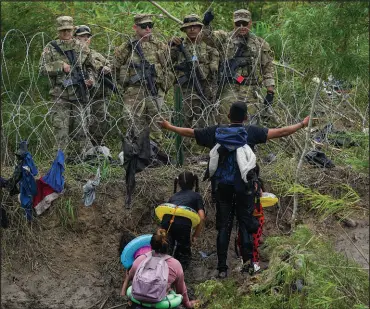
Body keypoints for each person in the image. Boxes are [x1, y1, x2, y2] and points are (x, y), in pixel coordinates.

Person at [160, 101, 309, 278]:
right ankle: (248, 266)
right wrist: (302, 124)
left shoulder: (216, 131)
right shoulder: (251, 132)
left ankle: (222, 268)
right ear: (246, 117)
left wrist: (169, 127)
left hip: (222, 189)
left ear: (228, 116)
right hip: (245, 189)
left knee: (223, 227)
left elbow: (191, 133)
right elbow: (282, 132)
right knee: (245, 226)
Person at [202, 9, 275, 124]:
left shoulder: (260, 43)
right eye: (238, 23)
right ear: (233, 23)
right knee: (226, 123)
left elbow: (267, 67)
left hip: (250, 90)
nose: (241, 26)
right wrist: (206, 24)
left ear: (250, 23)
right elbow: (207, 38)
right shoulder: (224, 38)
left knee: (249, 126)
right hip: (229, 89)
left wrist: (270, 91)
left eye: (245, 23)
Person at [39, 16, 95, 158]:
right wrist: (59, 66)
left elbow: (90, 66)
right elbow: (41, 69)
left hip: (79, 93)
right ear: (58, 30)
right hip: (60, 95)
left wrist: (90, 79)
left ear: (72, 29)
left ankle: (82, 159)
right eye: (62, 30)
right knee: (61, 130)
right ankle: (59, 161)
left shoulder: (82, 47)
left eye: (68, 30)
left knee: (81, 128)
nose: (65, 33)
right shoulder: (51, 48)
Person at [112, 14, 173, 143]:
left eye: (150, 26)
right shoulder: (127, 47)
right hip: (134, 90)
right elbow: (114, 67)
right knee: (131, 119)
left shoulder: (160, 46)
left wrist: (164, 87)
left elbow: (168, 68)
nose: (148, 29)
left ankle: (155, 151)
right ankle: (136, 150)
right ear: (135, 27)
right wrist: (122, 84)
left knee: (157, 121)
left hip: (154, 89)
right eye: (144, 26)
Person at [121, 229, 199, 308]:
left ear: (150, 245)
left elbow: (130, 278)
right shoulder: (175, 265)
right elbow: (181, 291)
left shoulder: (139, 260)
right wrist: (188, 304)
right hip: (161, 304)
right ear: (169, 246)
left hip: (138, 302)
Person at [170, 14, 219, 129]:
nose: (192, 29)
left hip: (204, 90)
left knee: (207, 124)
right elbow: (166, 61)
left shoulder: (209, 47)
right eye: (189, 27)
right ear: (184, 29)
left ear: (200, 28)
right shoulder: (178, 46)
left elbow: (215, 71)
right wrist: (169, 45)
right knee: (182, 123)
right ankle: (183, 146)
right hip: (185, 91)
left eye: (195, 27)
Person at [74, 25, 113, 146]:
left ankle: (98, 149)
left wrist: (107, 68)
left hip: (98, 96)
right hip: (79, 97)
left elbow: (110, 65)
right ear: (75, 38)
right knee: (81, 124)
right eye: (81, 37)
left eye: (87, 37)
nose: (85, 39)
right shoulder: (73, 55)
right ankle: (83, 150)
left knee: (100, 123)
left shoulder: (96, 55)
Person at [160, 171, 205, 270]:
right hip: (183, 224)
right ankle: (179, 277)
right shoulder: (196, 196)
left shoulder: (173, 197)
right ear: (194, 183)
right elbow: (201, 217)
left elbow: (167, 210)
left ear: (179, 184)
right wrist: (195, 235)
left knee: (165, 250)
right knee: (183, 253)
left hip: (166, 221)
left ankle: (162, 273)